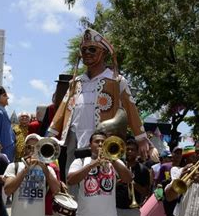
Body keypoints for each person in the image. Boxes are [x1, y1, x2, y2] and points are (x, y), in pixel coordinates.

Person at [47, 28, 149, 178]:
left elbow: (131, 109)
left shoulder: (116, 81)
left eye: (92, 49)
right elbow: (62, 110)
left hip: (104, 140)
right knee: (73, 181)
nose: (87, 53)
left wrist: (141, 139)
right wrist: (50, 136)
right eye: (84, 50)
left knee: (102, 183)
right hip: (75, 139)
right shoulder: (76, 82)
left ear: (103, 53)